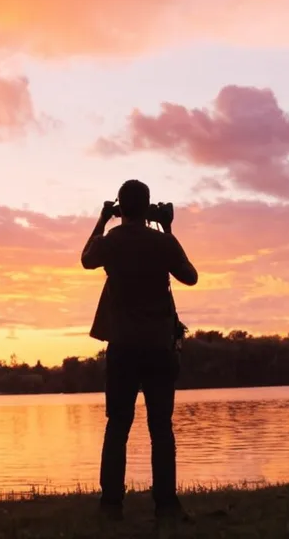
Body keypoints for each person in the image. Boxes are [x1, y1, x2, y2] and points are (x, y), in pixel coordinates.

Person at [81, 178, 198, 524]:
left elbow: (87, 259)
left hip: (122, 347)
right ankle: (167, 505)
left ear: (120, 207)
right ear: (147, 208)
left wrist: (102, 220)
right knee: (161, 426)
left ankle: (111, 505)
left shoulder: (112, 239)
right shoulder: (162, 241)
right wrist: (168, 229)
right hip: (159, 346)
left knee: (117, 425)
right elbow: (189, 276)